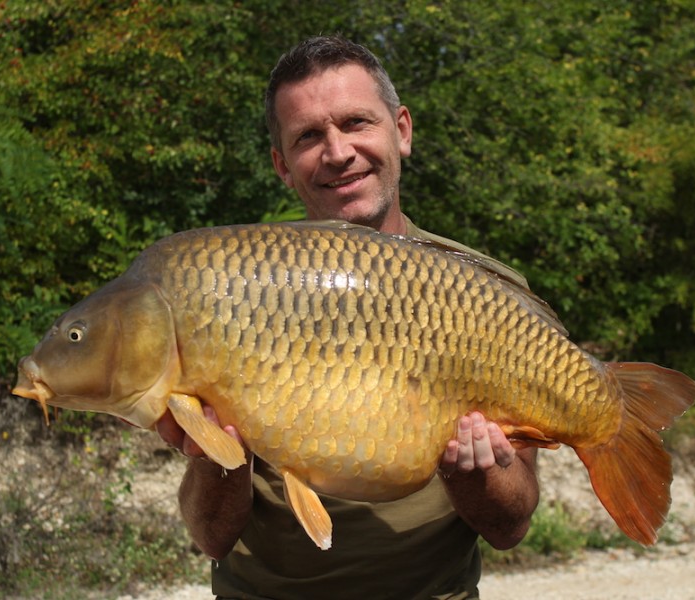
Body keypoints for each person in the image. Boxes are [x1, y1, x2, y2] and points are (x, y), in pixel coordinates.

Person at [155, 36, 540, 599]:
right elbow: (212, 538)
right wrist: (222, 453)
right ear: (282, 166)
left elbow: (510, 527)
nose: (337, 152)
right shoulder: (235, 290)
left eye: (357, 122)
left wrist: (473, 475)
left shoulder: (488, 297)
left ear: (401, 130)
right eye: (309, 136)